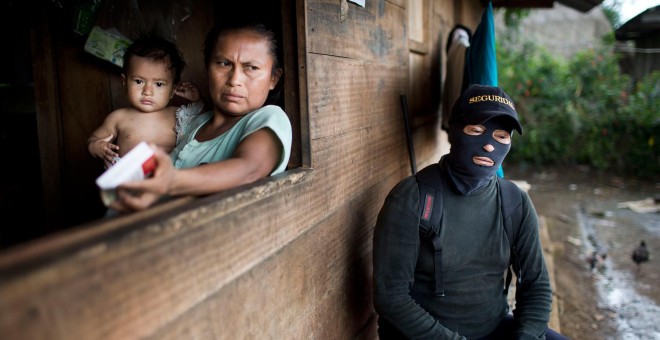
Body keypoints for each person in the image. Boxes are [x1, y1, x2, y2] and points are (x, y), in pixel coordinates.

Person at [372, 84, 567, 339]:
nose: (489, 146)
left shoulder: (514, 202)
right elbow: (391, 297)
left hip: (493, 329)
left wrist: (526, 336)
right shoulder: (413, 198)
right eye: (477, 131)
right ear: (454, 132)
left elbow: (536, 285)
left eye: (501, 136)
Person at [109, 23, 292, 213]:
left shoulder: (270, 118)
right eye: (224, 63)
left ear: (273, 78)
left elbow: (249, 169)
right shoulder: (194, 122)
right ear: (207, 67)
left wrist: (171, 181)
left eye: (251, 68)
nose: (234, 80)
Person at [87, 34, 201, 169]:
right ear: (125, 82)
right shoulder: (119, 117)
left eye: (159, 84)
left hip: (168, 180)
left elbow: (207, 127)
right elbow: (93, 140)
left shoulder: (177, 114)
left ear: (173, 90)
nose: (147, 91)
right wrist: (98, 147)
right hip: (129, 180)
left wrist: (199, 100)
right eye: (139, 81)